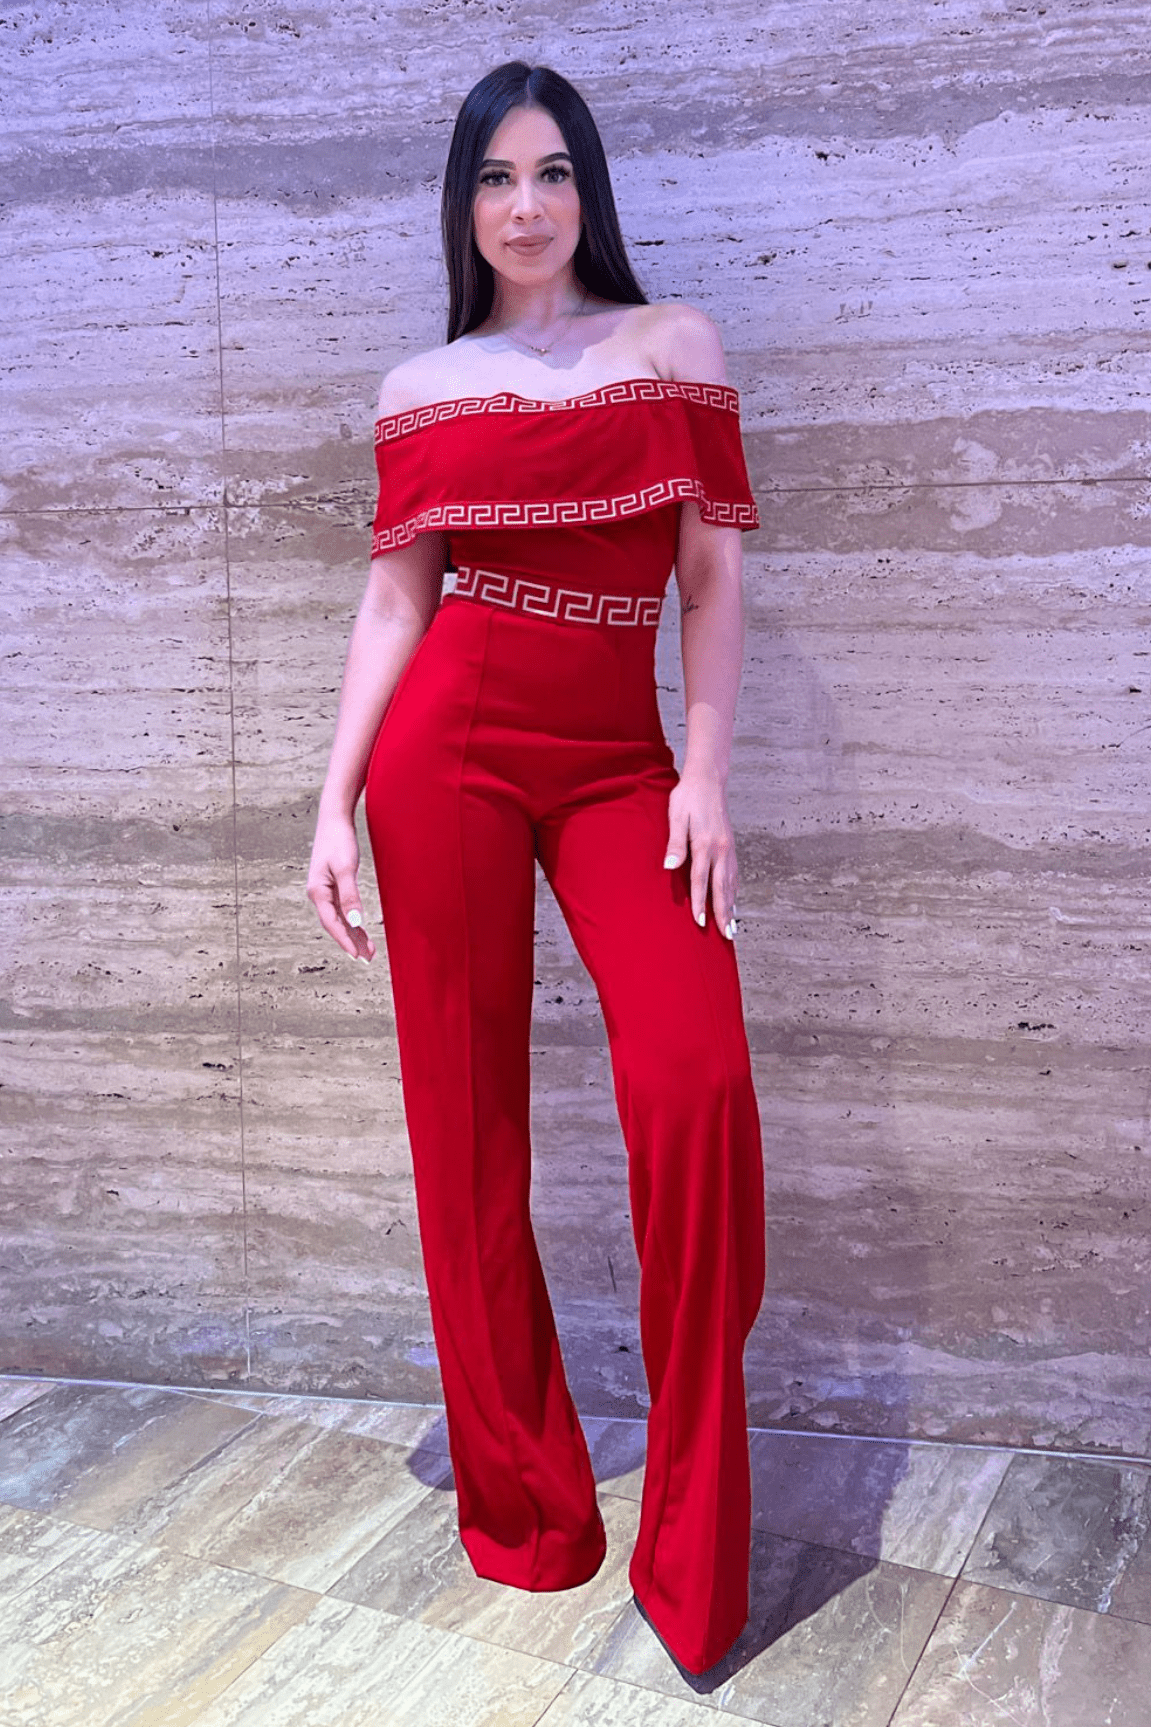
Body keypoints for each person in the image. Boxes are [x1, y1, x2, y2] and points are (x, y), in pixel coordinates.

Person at [306, 61, 766, 1677]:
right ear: (464, 204)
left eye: (552, 171)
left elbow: (708, 582)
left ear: (588, 189)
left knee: (695, 1080)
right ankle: (527, 1506)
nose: (525, 204)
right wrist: (330, 801)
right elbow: (395, 602)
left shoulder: (674, 344)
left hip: (619, 759)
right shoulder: (422, 382)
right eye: (495, 177)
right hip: (446, 748)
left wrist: (703, 775)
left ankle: (695, 1544)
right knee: (465, 1126)